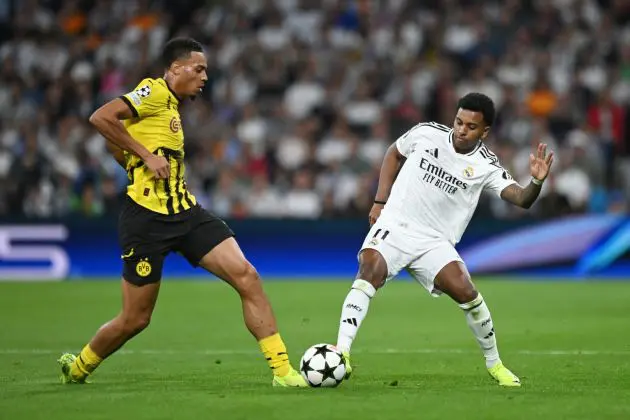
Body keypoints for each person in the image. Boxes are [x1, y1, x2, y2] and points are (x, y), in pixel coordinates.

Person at [57, 38, 307, 387]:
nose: (205, 77)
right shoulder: (154, 92)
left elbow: (117, 137)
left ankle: (283, 372)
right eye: (199, 68)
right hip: (146, 218)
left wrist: (130, 155)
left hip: (186, 213)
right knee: (135, 320)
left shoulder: (171, 107)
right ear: (175, 69)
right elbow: (101, 117)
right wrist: (143, 156)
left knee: (247, 276)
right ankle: (79, 366)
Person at [335, 92, 554, 387]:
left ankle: (495, 364)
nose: (461, 130)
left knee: (468, 293)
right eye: (459, 121)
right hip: (396, 224)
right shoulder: (426, 134)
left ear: (484, 131)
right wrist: (379, 201)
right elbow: (393, 153)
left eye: (471, 127)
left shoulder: (486, 165)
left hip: (434, 241)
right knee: (369, 270)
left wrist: (536, 182)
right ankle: (342, 353)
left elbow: (521, 199)